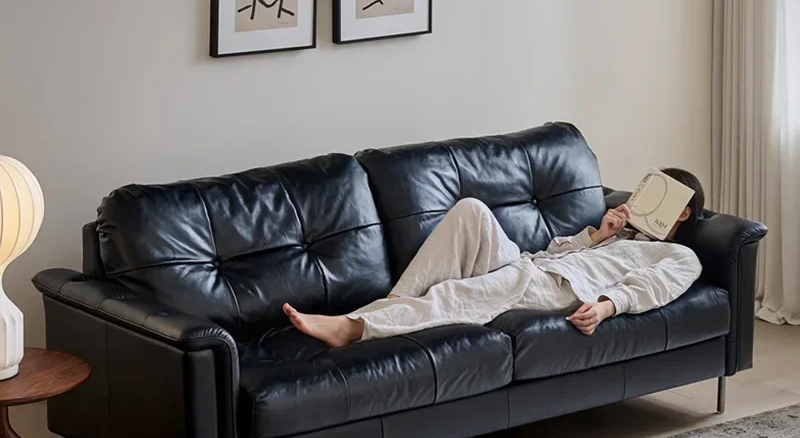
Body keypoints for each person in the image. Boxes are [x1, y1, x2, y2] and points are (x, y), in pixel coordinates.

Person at [284, 168, 705, 347]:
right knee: (471, 211)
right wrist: (597, 236)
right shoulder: (617, 234)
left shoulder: (678, 254)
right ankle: (396, 307)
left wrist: (609, 307)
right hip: (532, 264)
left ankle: (356, 328)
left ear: (682, 211)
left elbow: (652, 288)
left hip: (555, 290)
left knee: (457, 291)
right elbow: (556, 251)